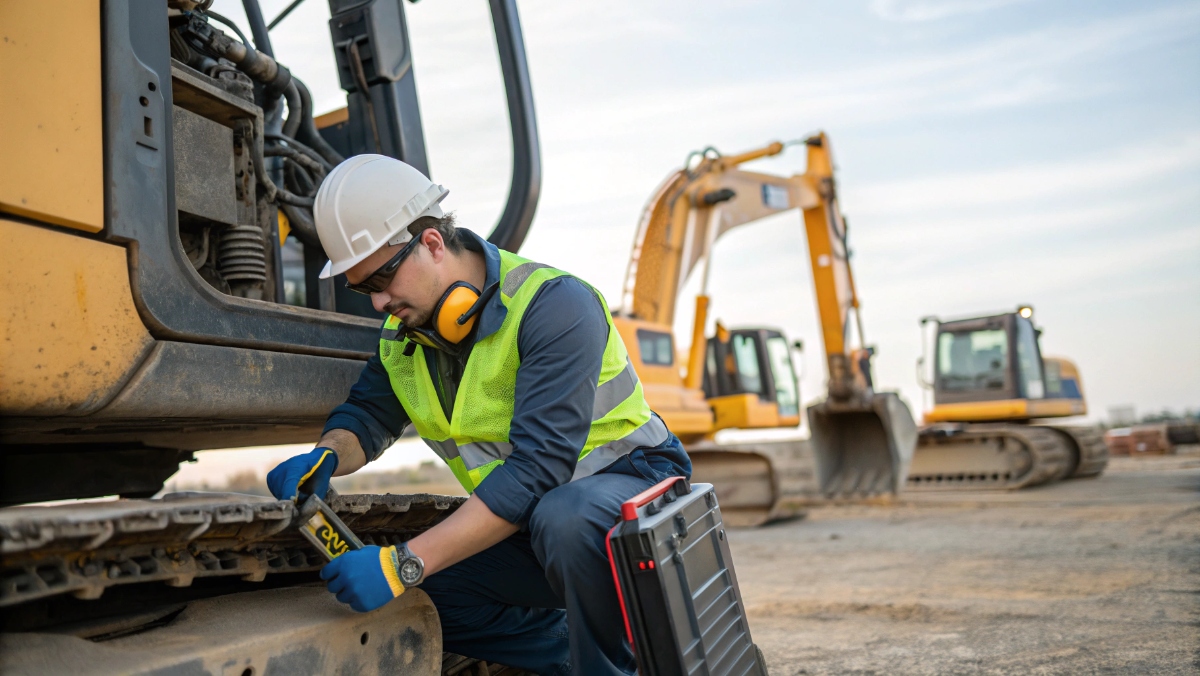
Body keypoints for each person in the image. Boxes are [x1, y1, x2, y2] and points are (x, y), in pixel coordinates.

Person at [266, 155, 690, 674]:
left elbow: (538, 469)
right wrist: (326, 456)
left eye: (380, 278)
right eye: (361, 288)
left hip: (633, 502)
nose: (377, 302)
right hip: (536, 523)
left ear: (432, 243)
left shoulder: (553, 306)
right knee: (429, 599)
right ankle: (582, 660)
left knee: (563, 517)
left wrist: (404, 563)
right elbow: (367, 415)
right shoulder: (406, 338)